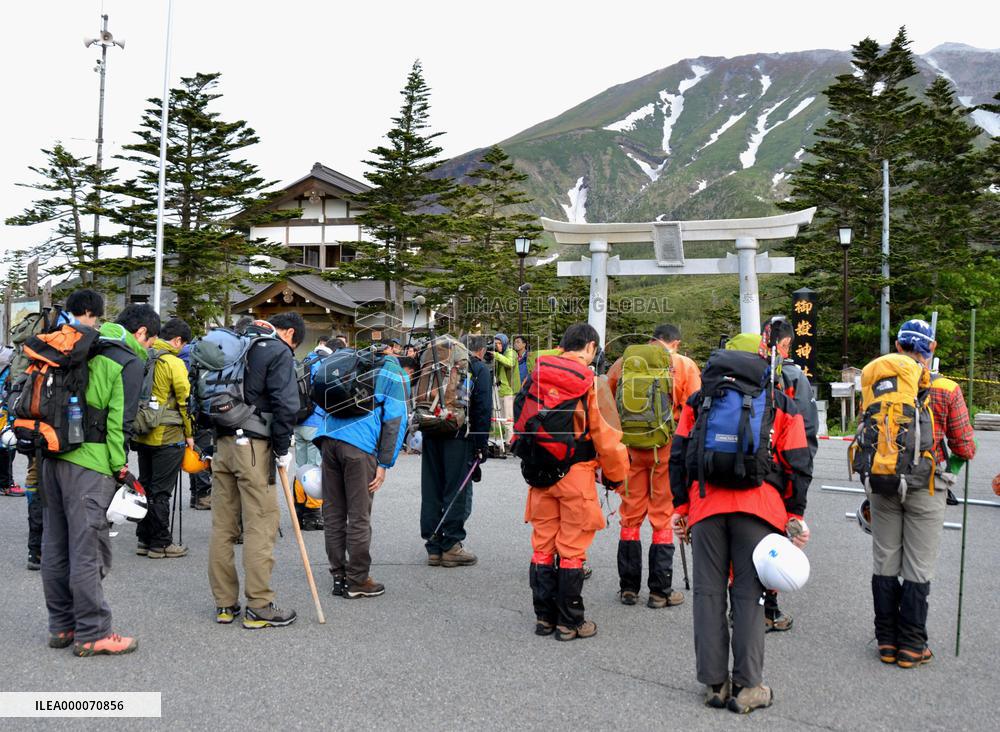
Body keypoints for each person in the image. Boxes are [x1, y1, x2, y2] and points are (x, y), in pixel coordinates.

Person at [669, 333, 812, 713]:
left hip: (705, 508)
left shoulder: (700, 402)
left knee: (707, 593)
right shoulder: (780, 403)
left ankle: (715, 684)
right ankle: (749, 687)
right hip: (759, 511)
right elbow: (798, 462)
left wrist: (681, 507)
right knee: (750, 596)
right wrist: (794, 515)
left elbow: (680, 455)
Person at [41, 290, 153, 656]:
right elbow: (119, 422)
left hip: (51, 456)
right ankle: (93, 631)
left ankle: (62, 627)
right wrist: (120, 467)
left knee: (56, 545)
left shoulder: (67, 348)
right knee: (88, 549)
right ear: (139, 334)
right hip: (89, 464)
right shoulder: (123, 361)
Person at [868, 319, 976, 668]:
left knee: (885, 561)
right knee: (918, 566)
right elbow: (966, 446)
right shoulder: (946, 389)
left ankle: (886, 641)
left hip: (883, 484)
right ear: (932, 348)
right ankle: (912, 646)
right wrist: (953, 468)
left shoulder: (878, 383)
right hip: (927, 486)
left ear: (898, 346)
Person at [523, 323, 629, 640]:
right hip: (576, 474)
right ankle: (570, 621)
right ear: (591, 348)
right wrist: (616, 478)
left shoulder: (536, 374)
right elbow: (608, 439)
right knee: (571, 548)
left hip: (540, 472)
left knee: (542, 545)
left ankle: (544, 618)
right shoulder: (591, 383)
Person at [208, 313, 302, 629]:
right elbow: (286, 404)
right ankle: (259, 606)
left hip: (222, 443)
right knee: (260, 524)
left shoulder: (226, 346)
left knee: (223, 527)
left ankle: (224, 604)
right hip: (253, 446)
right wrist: (282, 450)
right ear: (287, 333)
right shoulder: (276, 350)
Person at [606, 323, 701, 608]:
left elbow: (608, 402)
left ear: (651, 339)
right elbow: (694, 409)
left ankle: (628, 588)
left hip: (631, 449)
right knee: (662, 515)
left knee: (630, 515)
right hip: (666, 450)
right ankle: (660, 591)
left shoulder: (624, 362)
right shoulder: (683, 365)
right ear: (676, 343)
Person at [313, 345, 409, 598]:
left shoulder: (346, 362)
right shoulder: (392, 372)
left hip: (328, 439)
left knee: (333, 512)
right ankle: (357, 580)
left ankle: (338, 576)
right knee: (358, 515)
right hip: (360, 445)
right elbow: (396, 418)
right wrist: (385, 463)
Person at [760, 316, 818, 632]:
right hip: (778, 478)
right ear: (784, 345)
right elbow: (806, 431)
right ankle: (769, 610)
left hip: (738, 473)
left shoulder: (741, 373)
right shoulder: (793, 376)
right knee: (775, 543)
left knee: (741, 543)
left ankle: (737, 607)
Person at [420, 335, 492, 568]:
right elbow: (481, 407)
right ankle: (451, 545)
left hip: (431, 430)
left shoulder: (434, 366)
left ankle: (433, 545)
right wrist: (481, 444)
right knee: (456, 490)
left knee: (432, 489)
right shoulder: (476, 368)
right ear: (479, 351)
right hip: (459, 436)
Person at [131, 316, 195, 559]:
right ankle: (161, 542)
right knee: (161, 491)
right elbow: (184, 402)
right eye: (183, 344)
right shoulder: (174, 363)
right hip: (168, 436)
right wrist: (190, 434)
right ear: (177, 340)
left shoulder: (143, 356)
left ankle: (143, 539)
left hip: (142, 430)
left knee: (145, 486)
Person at [293, 340, 333, 531]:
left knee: (301, 468)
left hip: (299, 421)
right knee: (315, 470)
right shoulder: (325, 364)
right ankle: (313, 515)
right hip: (316, 423)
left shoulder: (304, 361)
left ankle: (299, 511)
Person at [492, 333, 520, 446]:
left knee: (509, 419)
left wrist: (496, 355)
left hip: (510, 391)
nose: (497, 345)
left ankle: (510, 443)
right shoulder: (500, 354)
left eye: (499, 343)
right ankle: (507, 440)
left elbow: (510, 363)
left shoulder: (511, 352)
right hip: (501, 390)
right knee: (504, 420)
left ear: (504, 343)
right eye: (495, 343)